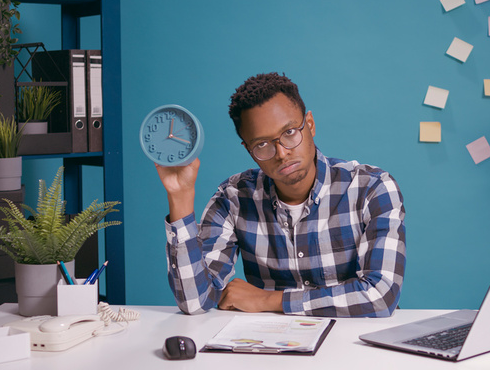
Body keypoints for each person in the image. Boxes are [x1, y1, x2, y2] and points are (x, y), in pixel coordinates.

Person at [157, 72, 406, 317]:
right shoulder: (233, 198)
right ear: (248, 149)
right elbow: (195, 302)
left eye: (289, 133)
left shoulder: (371, 188)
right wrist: (180, 195)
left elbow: (380, 296)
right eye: (262, 144)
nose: (281, 153)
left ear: (309, 124)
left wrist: (268, 300)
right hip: (265, 349)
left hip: (350, 348)